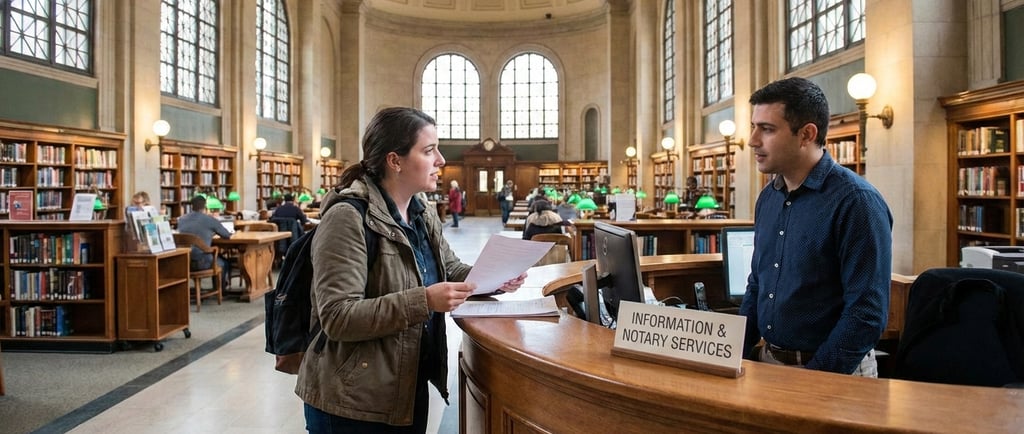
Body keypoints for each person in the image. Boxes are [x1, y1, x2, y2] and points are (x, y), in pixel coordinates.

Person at [296, 107, 527, 433]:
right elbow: (337, 316)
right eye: (429, 150)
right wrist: (425, 301)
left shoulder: (422, 211)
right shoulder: (347, 218)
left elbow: (449, 267)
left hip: (404, 385)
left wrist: (494, 279)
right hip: (352, 400)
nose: (441, 160)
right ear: (395, 161)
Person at [740, 77, 893, 377]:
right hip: (770, 363)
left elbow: (866, 313)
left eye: (767, 129)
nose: (752, 140)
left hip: (835, 373)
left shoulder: (856, 202)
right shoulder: (768, 198)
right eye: (753, 127)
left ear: (806, 134)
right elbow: (758, 284)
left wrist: (816, 378)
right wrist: (731, 353)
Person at [177, 195, 233, 290]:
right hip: (203, 261)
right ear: (205, 207)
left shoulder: (181, 220)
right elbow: (226, 235)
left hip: (185, 261)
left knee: (217, 258)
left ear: (191, 206)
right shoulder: (209, 220)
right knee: (224, 263)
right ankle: (220, 289)